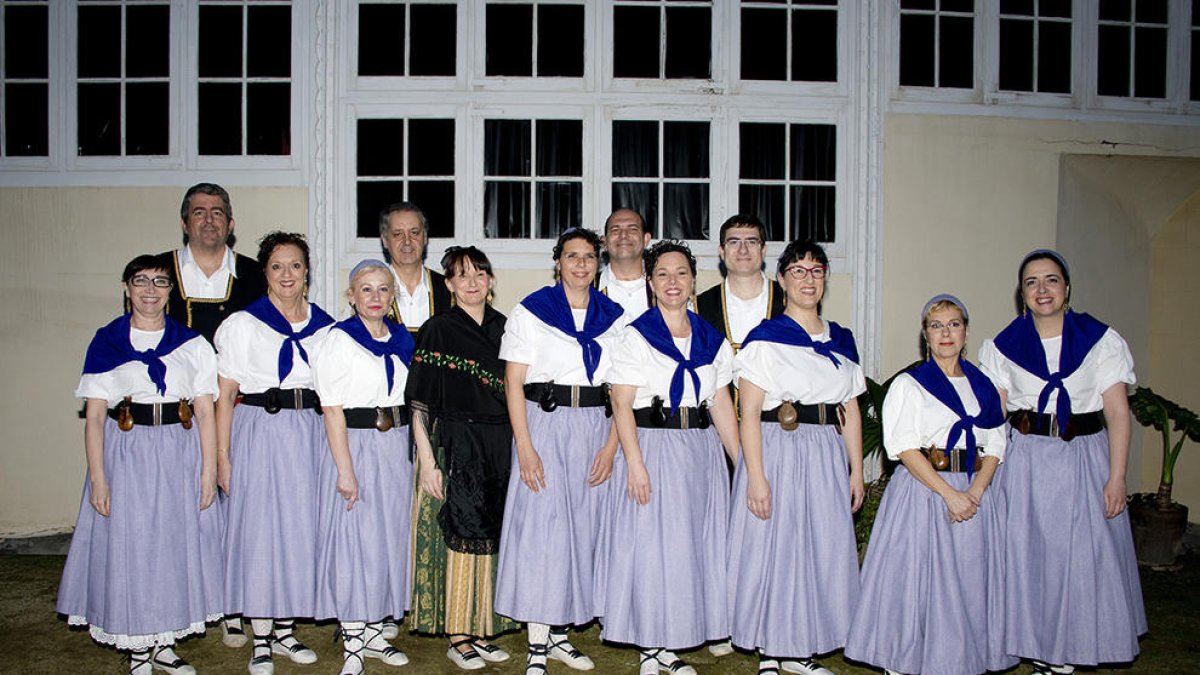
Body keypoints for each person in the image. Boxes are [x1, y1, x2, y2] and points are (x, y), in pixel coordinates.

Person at [979, 249, 1145, 674]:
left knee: (1077, 559)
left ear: (1067, 288)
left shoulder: (1100, 340)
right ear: (1022, 294)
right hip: (1027, 460)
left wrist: (1117, 476)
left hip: (1081, 459)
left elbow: (1118, 414)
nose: (1042, 290)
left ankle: (1067, 653)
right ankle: (1036, 647)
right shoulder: (1004, 346)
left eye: (1051, 280)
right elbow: (994, 416)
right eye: (1032, 282)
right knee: (1027, 556)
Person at [58, 254, 223, 675]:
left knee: (172, 546)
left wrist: (208, 471)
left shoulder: (192, 344)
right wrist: (99, 478)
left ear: (171, 291)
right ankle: (139, 649)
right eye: (141, 281)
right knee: (134, 547)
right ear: (127, 288)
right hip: (128, 452)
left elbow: (205, 411)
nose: (150, 290)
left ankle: (164, 642)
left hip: (179, 452)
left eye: (160, 282)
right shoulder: (107, 341)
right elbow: (95, 416)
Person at [844, 294, 1016, 675]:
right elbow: (903, 446)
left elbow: (996, 443)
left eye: (954, 324)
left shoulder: (982, 385)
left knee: (969, 578)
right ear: (925, 335)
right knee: (917, 581)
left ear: (966, 332)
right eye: (936, 326)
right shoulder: (910, 384)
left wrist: (975, 491)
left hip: (973, 488)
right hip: (925, 489)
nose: (946, 333)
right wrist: (949, 494)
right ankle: (905, 660)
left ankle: (959, 658)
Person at [597, 240, 741, 675]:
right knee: (654, 551)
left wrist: (743, 464)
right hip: (653, 448)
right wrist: (636, 464)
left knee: (691, 551)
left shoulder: (712, 340)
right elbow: (622, 404)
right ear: (650, 282)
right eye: (662, 274)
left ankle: (673, 645)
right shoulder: (635, 336)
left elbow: (720, 404)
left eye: (681, 273)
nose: (672, 282)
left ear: (694, 280)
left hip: (700, 453)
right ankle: (650, 648)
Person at [726, 240, 865, 675]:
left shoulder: (841, 340)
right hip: (779, 448)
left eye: (817, 271)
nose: (809, 279)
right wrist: (756, 476)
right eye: (799, 271)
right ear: (782, 279)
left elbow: (851, 409)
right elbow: (748, 412)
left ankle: (801, 646)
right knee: (776, 548)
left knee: (816, 549)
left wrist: (856, 469)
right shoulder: (765, 340)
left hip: (824, 453)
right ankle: (771, 648)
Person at [494, 228, 625, 674]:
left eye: (589, 257)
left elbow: (623, 389)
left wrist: (612, 446)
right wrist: (526, 447)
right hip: (545, 425)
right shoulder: (532, 312)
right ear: (558, 262)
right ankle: (537, 642)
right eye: (572, 256)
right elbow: (513, 382)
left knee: (582, 531)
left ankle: (562, 634)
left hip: (596, 426)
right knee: (544, 534)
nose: (581, 264)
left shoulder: (616, 317)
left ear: (598, 263)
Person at [214, 232, 335, 675]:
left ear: (307, 272)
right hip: (260, 431)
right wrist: (223, 457)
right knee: (261, 531)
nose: (287, 275)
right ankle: (260, 634)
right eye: (278, 266)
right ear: (265, 272)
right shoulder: (243, 325)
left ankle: (286, 628)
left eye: (296, 265)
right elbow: (225, 395)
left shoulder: (326, 327)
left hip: (308, 433)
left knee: (300, 529)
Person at [404, 246, 517, 670]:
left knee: (493, 535)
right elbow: (419, 401)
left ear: (489, 280)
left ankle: (484, 626)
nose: (472, 281)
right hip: (451, 443)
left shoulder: (507, 328)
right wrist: (428, 461)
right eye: (461, 275)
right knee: (455, 536)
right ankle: (458, 634)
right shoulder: (437, 329)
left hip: (498, 443)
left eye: (480, 273)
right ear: (448, 284)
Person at [312, 260, 416, 675]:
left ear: (393, 297)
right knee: (354, 541)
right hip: (355, 444)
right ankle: (352, 639)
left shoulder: (404, 340)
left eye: (383, 290)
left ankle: (375, 630)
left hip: (394, 447)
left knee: (387, 539)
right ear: (351, 296)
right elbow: (332, 410)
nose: (375, 298)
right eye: (366, 290)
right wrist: (345, 470)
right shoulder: (337, 341)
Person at [156, 183, 266, 345]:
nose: (209, 220)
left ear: (230, 225)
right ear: (184, 225)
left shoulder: (257, 275)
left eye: (217, 213)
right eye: (199, 213)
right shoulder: (156, 272)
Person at [695, 215, 785, 350]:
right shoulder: (699, 307)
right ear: (722, 252)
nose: (743, 250)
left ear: (763, 250)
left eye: (752, 242)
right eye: (734, 242)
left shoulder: (789, 299)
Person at [379, 202, 453, 335]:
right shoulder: (370, 292)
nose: (407, 241)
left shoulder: (450, 290)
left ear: (425, 238)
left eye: (414, 233)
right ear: (385, 240)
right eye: (398, 234)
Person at [596, 208, 652, 318]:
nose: (623, 235)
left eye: (632, 229)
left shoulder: (666, 287)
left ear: (646, 239)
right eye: (615, 230)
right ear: (605, 242)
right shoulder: (587, 289)